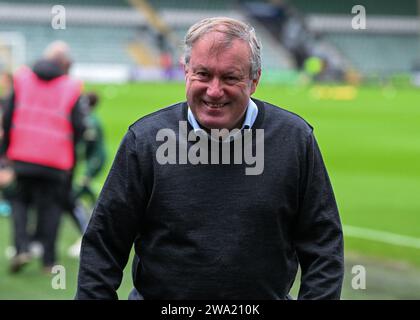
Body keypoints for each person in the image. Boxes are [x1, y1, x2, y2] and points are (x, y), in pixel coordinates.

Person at [76, 17, 344, 300]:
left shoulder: (295, 140)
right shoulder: (145, 140)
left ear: (254, 80)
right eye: (203, 74)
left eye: (230, 77)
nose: (214, 91)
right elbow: (103, 244)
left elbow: (323, 246)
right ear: (186, 72)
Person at [1, 41, 85, 273]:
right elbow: (78, 125)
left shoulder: (22, 79)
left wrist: (7, 151)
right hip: (55, 160)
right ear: (66, 63)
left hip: (22, 155)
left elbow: (7, 118)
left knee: (18, 201)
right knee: (51, 208)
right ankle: (48, 262)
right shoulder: (70, 86)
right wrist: (69, 149)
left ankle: (22, 249)